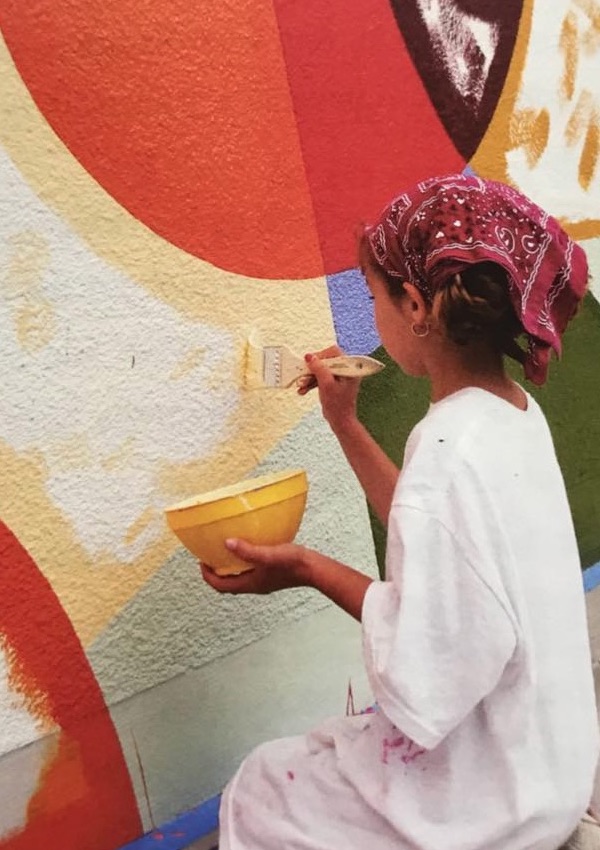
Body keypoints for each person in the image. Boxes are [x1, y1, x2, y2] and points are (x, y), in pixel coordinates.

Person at [201, 173, 599, 850]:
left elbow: (427, 665)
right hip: (550, 772)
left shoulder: (447, 453)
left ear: (416, 305)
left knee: (261, 787)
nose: (373, 318)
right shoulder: (509, 415)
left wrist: (308, 568)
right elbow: (441, 540)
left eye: (373, 296)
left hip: (494, 806)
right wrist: (344, 423)